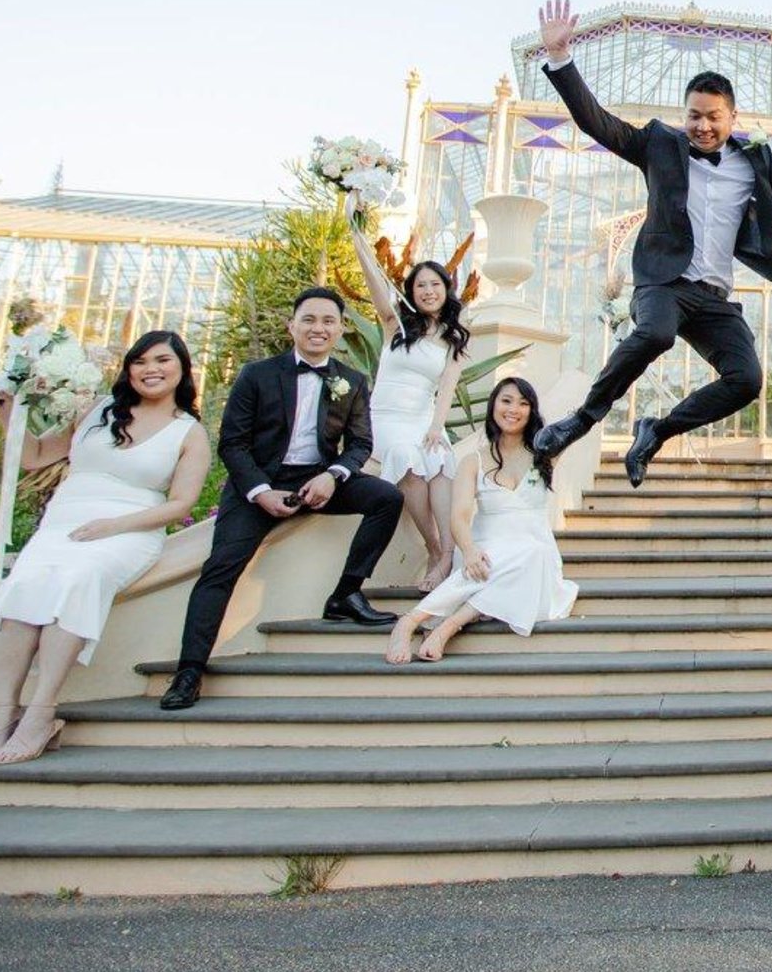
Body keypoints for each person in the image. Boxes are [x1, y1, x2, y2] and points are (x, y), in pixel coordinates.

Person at [526, 0, 772, 485]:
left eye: (713, 117)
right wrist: (561, 59)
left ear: (732, 117)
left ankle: (657, 430)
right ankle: (580, 420)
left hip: (713, 296)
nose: (702, 126)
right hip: (663, 282)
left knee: (747, 380)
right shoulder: (658, 145)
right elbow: (596, 122)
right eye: (694, 115)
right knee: (656, 334)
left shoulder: (754, 160)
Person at [0, 331, 213, 763]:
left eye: (162, 360)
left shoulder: (188, 432)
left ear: (181, 370)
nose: (150, 369)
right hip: (63, 523)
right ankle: (3, 716)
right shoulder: (97, 411)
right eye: (140, 361)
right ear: (128, 369)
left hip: (130, 529)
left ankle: (41, 714)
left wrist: (113, 526)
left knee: (81, 578)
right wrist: (7, 407)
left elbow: (181, 504)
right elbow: (36, 456)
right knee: (25, 584)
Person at [159, 288, 406, 711]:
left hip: (318, 479)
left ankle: (346, 594)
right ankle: (189, 672)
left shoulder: (352, 381)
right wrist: (260, 491)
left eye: (329, 321)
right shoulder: (257, 374)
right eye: (309, 319)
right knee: (220, 569)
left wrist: (333, 476)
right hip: (258, 484)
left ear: (341, 329)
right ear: (292, 326)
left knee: (386, 498)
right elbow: (232, 443)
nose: (318, 328)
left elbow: (360, 443)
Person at [385, 375, 577, 663]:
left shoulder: (545, 454)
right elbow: (459, 516)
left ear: (532, 411)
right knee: (503, 562)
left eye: (523, 403)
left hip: (536, 552)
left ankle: (431, 624)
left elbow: (585, 417)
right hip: (485, 549)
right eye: (506, 401)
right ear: (493, 406)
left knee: (532, 554)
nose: (513, 409)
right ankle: (410, 626)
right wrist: (470, 551)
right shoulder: (472, 461)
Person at [349, 226, 471, 591]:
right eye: (420, 286)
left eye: (435, 284)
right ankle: (433, 548)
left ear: (445, 289)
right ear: (412, 292)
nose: (428, 291)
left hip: (422, 416)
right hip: (385, 418)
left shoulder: (455, 337)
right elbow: (373, 282)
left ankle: (449, 554)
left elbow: (446, 388)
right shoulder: (396, 326)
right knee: (406, 457)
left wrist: (437, 426)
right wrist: (356, 234)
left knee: (439, 460)